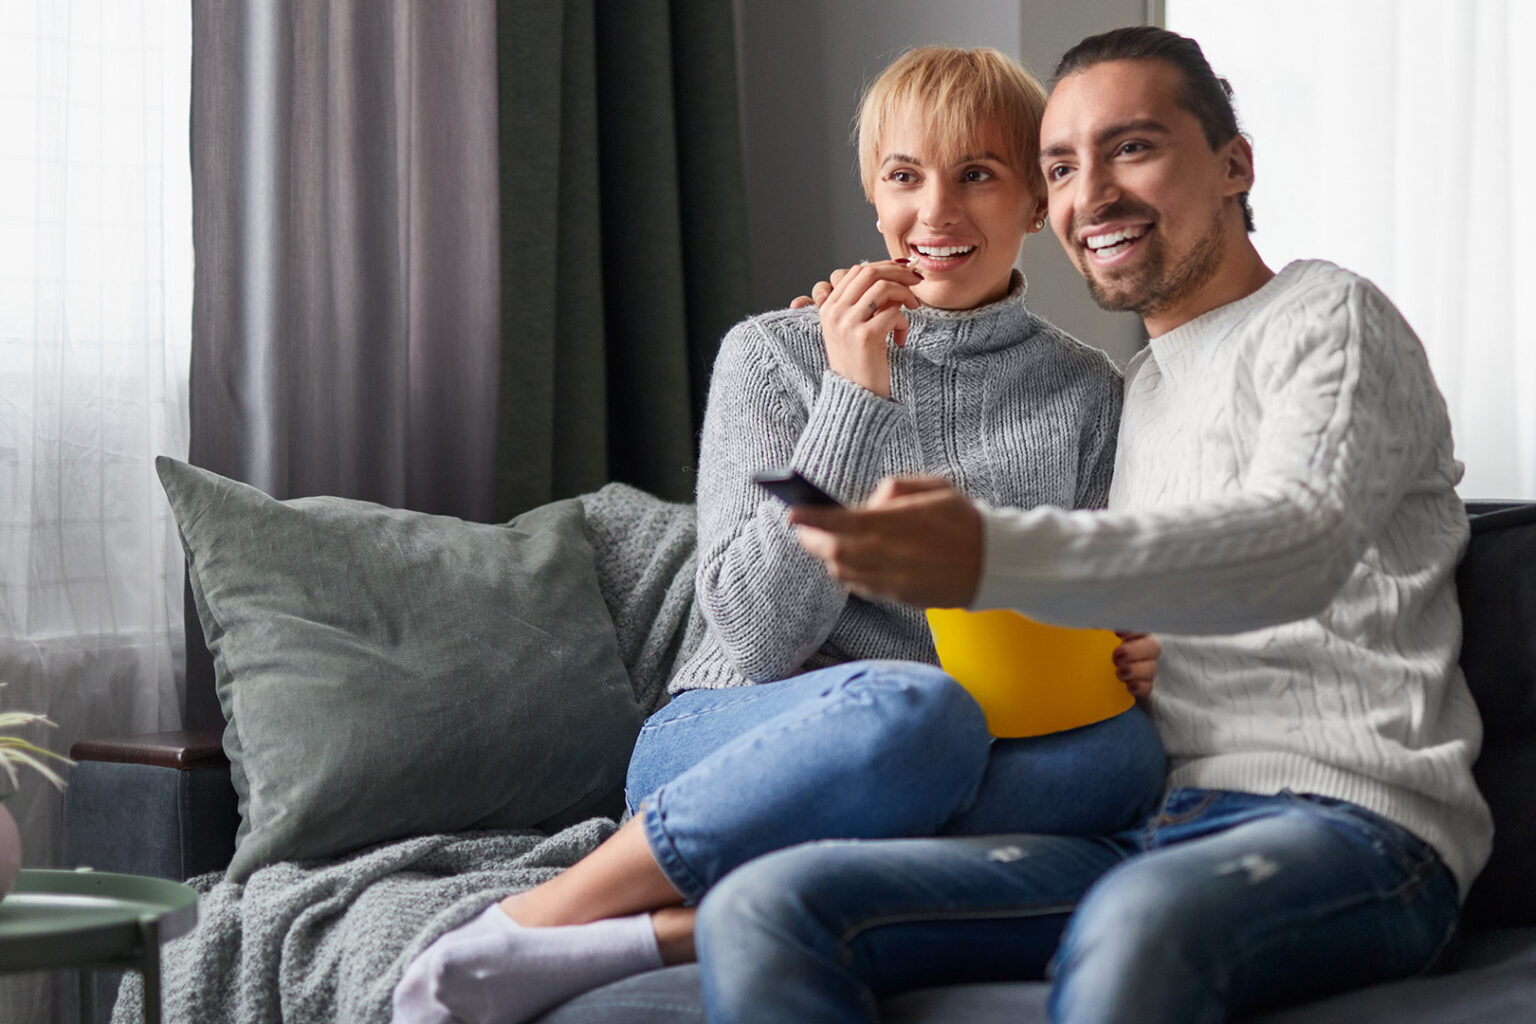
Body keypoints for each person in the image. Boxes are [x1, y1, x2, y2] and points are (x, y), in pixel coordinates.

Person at [692, 25, 1494, 1024]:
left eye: (1134, 147)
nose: (1092, 193)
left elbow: (1297, 543)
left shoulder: (1329, 316)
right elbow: (1132, 608)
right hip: (1142, 821)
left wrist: (989, 554)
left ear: (1235, 164)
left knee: (1137, 921)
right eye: (1062, 164)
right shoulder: (1130, 394)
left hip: (1351, 827)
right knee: (770, 906)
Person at [391, 46, 1168, 1024]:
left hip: (980, 748)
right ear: (873, 193)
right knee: (914, 711)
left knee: (1120, 761)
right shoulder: (773, 354)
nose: (936, 212)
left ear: (1032, 204)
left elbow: (1087, 604)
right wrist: (852, 398)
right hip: (753, 738)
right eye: (904, 175)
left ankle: (676, 927)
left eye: (978, 173)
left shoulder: (1086, 393)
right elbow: (759, 632)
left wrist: (1133, 647)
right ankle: (532, 920)